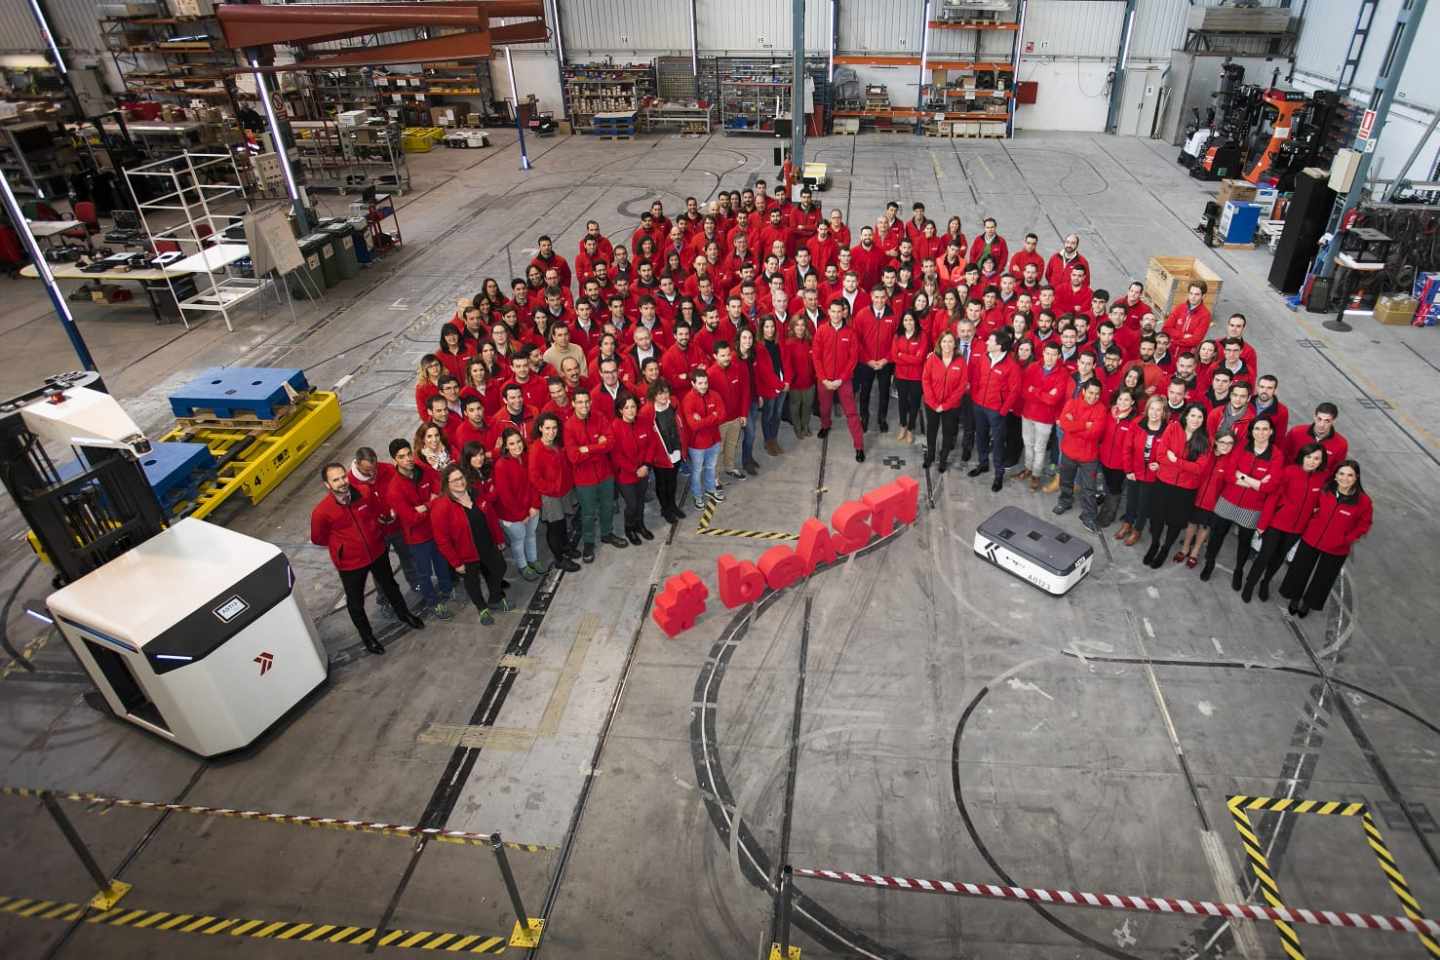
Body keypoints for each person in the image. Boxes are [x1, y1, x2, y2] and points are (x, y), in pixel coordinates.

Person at [310, 463, 424, 655]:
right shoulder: (322, 512)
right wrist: (343, 547)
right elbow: (318, 538)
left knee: (390, 586)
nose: (342, 482)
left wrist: (373, 532)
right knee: (356, 603)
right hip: (351, 563)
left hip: (377, 551)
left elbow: (373, 513)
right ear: (327, 485)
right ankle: (368, 637)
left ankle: (404, 614)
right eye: (335, 480)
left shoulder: (363, 492)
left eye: (343, 477)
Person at [1280, 460, 1372, 618]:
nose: (1345, 478)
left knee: (1324, 578)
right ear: (1335, 475)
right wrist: (1311, 524)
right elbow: (1312, 508)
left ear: (1356, 477)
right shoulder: (1324, 490)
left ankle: (1308, 603)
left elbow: (1364, 525)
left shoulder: (1363, 502)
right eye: (1341, 474)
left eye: (1350, 475)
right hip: (1311, 539)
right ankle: (1294, 598)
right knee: (1299, 570)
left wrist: (1346, 539)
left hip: (1337, 548)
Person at [1242, 443, 1328, 603]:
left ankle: (1265, 583)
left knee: (1279, 559)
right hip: (1277, 524)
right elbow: (1272, 500)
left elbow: (1319, 503)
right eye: (1309, 457)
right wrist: (1262, 524)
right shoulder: (1289, 472)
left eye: (1316, 458)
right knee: (1265, 556)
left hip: (1297, 529)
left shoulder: (1321, 478)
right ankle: (1249, 584)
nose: (1311, 461)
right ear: (1303, 456)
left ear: (1321, 461)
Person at [430, 463, 511, 626]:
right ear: (447, 484)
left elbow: (491, 517)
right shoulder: (441, 506)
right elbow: (442, 540)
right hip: (465, 554)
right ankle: (482, 608)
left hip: (487, 545)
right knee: (472, 582)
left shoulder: (475, 493)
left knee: (499, 568)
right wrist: (456, 563)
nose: (459, 482)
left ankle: (495, 597)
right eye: (454, 481)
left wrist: (499, 539)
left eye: (461, 478)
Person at [387, 439, 455, 620]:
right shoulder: (394, 489)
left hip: (436, 530)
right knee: (424, 573)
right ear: (395, 460)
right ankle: (433, 602)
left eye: (409, 454)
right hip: (418, 539)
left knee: (442, 563)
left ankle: (448, 590)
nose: (408, 459)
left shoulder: (421, 468)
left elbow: (438, 484)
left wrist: (425, 505)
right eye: (402, 457)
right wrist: (431, 503)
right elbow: (412, 518)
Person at [348, 446, 422, 606]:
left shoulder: (388, 469)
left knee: (408, 556)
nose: (372, 473)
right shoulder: (350, 483)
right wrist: (374, 521)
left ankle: (417, 583)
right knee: (380, 569)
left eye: (374, 468)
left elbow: (402, 490)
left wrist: (397, 509)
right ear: (358, 464)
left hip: (397, 527)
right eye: (367, 470)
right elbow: (353, 511)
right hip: (376, 534)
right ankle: (385, 599)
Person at [1142, 403, 1212, 568]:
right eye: (1193, 415)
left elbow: (1199, 469)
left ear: (1204, 420)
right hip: (1164, 482)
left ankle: (1166, 548)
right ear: (1186, 415)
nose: (1195, 420)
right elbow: (1160, 455)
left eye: (1200, 417)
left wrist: (1176, 461)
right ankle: (1155, 544)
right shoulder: (1173, 428)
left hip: (1185, 489)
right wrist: (1183, 464)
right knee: (1157, 517)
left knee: (1175, 522)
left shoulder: (1205, 440)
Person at [564, 391, 627, 563]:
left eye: (586, 402)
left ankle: (607, 533)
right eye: (580, 402)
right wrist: (597, 446)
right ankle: (589, 543)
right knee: (588, 513)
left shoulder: (599, 417)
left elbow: (611, 442)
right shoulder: (569, 426)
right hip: (584, 479)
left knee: (607, 506)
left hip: (605, 474)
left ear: (590, 402)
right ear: (573, 404)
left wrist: (587, 449)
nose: (584, 406)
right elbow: (574, 456)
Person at [967, 329, 1022, 491]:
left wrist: (1003, 410)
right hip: (979, 406)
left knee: (998, 443)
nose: (986, 343)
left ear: (999, 346)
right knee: (981, 436)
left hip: (996, 410)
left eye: (990, 341)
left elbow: (1015, 391)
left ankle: (999, 474)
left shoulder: (1012, 366)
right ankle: (983, 463)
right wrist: (975, 398)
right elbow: (976, 378)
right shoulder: (984, 358)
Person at [528, 412, 582, 574]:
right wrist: (553, 489)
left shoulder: (556, 443)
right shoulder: (536, 449)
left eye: (554, 428)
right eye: (547, 428)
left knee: (562, 523)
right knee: (554, 527)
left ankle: (565, 548)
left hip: (563, 490)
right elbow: (535, 477)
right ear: (540, 429)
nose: (551, 432)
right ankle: (559, 559)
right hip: (550, 495)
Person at [814, 298, 866, 462]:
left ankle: (859, 446)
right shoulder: (821, 331)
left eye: (839, 311)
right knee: (824, 407)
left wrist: (841, 379)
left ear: (844, 313)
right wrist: (824, 379)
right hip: (824, 381)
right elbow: (816, 357)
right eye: (833, 311)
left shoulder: (850, 333)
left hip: (844, 381)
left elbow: (853, 359)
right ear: (828, 312)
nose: (836, 315)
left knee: (851, 413)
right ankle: (825, 425)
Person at [612, 393, 667, 544]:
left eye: (633, 407)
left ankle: (640, 525)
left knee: (641, 501)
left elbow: (652, 444)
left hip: (643, 470)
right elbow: (616, 455)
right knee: (632, 504)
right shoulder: (615, 427)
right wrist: (634, 469)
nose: (631, 410)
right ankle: (629, 528)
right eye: (626, 407)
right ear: (620, 410)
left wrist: (646, 465)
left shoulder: (644, 421)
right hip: (626, 475)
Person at [493, 428, 547, 581]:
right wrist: (521, 515)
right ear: (505, 446)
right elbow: (506, 497)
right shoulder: (501, 466)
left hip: (531, 509)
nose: (516, 446)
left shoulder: (527, 457)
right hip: (512, 515)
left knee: (531, 535)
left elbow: (535, 482)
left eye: (518, 442)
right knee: (518, 540)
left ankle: (533, 560)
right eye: (511, 443)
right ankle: (523, 566)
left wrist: (535, 505)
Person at [1053, 380, 1107, 531]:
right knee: (1066, 480)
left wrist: (1074, 424)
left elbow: (1094, 434)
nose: (1093, 396)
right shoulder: (1072, 403)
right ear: (1083, 391)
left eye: (1097, 394)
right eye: (1091, 392)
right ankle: (1065, 501)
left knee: (1089, 488)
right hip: (1069, 452)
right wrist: (1084, 424)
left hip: (1088, 457)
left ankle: (1089, 516)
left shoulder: (1102, 410)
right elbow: (1064, 424)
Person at [1178, 431, 1237, 568]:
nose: (1226, 446)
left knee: (1204, 527)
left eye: (1230, 443)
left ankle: (1195, 552)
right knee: (1191, 523)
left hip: (1213, 502)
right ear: (1215, 442)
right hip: (1195, 495)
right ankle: (1185, 548)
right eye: (1223, 442)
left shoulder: (1231, 461)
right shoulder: (1205, 453)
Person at [1116, 395, 1168, 547]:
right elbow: (1127, 448)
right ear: (1147, 409)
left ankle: (1137, 530)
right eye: (1152, 408)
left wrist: (1159, 464)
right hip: (1134, 471)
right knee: (1131, 499)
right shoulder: (1137, 423)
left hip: (1152, 477)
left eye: (1159, 410)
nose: (1154, 413)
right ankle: (1127, 523)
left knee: (1144, 504)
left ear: (1163, 412)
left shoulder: (1167, 430)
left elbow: (1169, 453)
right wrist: (1128, 470)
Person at [1020, 342, 1066, 488]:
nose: (1050, 357)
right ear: (1043, 353)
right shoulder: (1033, 367)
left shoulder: (1063, 373)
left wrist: (1035, 390)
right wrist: (1044, 394)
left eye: (1054, 354)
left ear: (1059, 356)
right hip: (1027, 413)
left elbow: (1053, 400)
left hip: (1045, 418)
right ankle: (1028, 468)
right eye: (1047, 353)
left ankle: (1036, 475)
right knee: (1028, 443)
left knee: (1039, 448)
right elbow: (1024, 392)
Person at [921, 330, 968, 472]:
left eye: (950, 341)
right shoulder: (932, 359)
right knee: (932, 430)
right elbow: (926, 380)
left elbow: (962, 386)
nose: (947, 344)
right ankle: (930, 456)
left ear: (955, 344)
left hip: (951, 406)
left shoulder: (961, 362)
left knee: (948, 433)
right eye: (944, 341)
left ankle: (943, 459)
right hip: (931, 404)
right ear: (940, 344)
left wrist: (946, 405)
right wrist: (935, 404)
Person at [645, 380, 687, 523]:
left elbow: (681, 424)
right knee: (662, 484)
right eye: (660, 393)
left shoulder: (674, 403)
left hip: (675, 451)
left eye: (666, 392)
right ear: (654, 395)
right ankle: (665, 509)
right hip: (660, 456)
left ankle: (673, 505)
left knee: (673, 481)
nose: (664, 396)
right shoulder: (648, 411)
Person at [683, 368, 726, 508]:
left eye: (706, 382)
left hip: (714, 440)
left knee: (711, 467)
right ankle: (697, 495)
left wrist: (704, 420)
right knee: (697, 471)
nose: (704, 386)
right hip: (697, 445)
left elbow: (722, 415)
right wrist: (713, 416)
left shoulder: (715, 395)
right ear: (693, 384)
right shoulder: (688, 400)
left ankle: (710, 489)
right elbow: (693, 425)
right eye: (700, 383)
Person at [708, 340, 751, 479]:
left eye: (728, 355)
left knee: (732, 445)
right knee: (718, 450)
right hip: (720, 422)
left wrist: (743, 414)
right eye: (722, 355)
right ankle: (715, 477)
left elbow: (745, 392)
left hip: (736, 418)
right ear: (715, 356)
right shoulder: (710, 374)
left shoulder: (737, 368)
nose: (727, 358)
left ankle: (730, 468)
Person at [1096, 389, 1138, 528]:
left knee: (1115, 490)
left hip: (1120, 464)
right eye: (1120, 399)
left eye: (1126, 400)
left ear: (1132, 402)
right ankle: (1105, 507)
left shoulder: (1134, 421)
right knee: (1107, 486)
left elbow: (1133, 447)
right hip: (1104, 458)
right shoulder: (1110, 414)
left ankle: (1108, 515)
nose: (1122, 402)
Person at [890, 310, 928, 444]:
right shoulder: (898, 335)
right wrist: (906, 357)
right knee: (902, 403)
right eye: (905, 320)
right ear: (902, 322)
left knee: (914, 404)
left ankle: (911, 429)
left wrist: (902, 356)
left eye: (911, 320)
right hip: (901, 376)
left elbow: (919, 359)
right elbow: (894, 356)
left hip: (916, 377)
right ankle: (903, 426)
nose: (908, 323)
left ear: (915, 321)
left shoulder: (922, 335)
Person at [754, 316, 789, 455]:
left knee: (778, 413)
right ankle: (768, 441)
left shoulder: (779, 343)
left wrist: (787, 381)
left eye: (772, 326)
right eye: (766, 327)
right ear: (761, 329)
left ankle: (773, 439)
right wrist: (781, 385)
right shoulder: (759, 347)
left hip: (782, 384)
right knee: (768, 414)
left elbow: (786, 363)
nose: (770, 330)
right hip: (769, 387)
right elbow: (765, 372)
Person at [1283, 402, 1348, 476]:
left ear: (1334, 421)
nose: (1321, 425)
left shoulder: (1341, 444)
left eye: (1327, 421)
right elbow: (1283, 455)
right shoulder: (1296, 432)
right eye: (1319, 419)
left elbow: (1335, 471)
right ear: (1314, 416)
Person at [734, 327, 765, 473]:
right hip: (742, 404)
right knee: (750, 433)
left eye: (750, 338)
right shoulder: (734, 359)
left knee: (751, 433)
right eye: (744, 338)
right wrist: (741, 412)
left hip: (753, 399)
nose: (747, 341)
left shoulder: (752, 355)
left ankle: (749, 457)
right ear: (739, 340)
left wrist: (759, 395)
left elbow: (755, 379)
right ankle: (746, 462)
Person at [782, 314, 816, 437]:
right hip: (796, 383)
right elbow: (787, 365)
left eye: (802, 325)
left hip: (810, 382)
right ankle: (797, 427)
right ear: (792, 327)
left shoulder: (810, 341)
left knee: (808, 405)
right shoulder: (788, 344)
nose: (800, 328)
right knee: (795, 406)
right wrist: (791, 380)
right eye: (797, 325)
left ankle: (805, 425)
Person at [415, 354, 444, 421]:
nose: (435, 369)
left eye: (436, 365)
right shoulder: (421, 388)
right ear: (425, 369)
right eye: (430, 367)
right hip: (435, 420)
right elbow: (423, 411)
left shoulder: (448, 378)